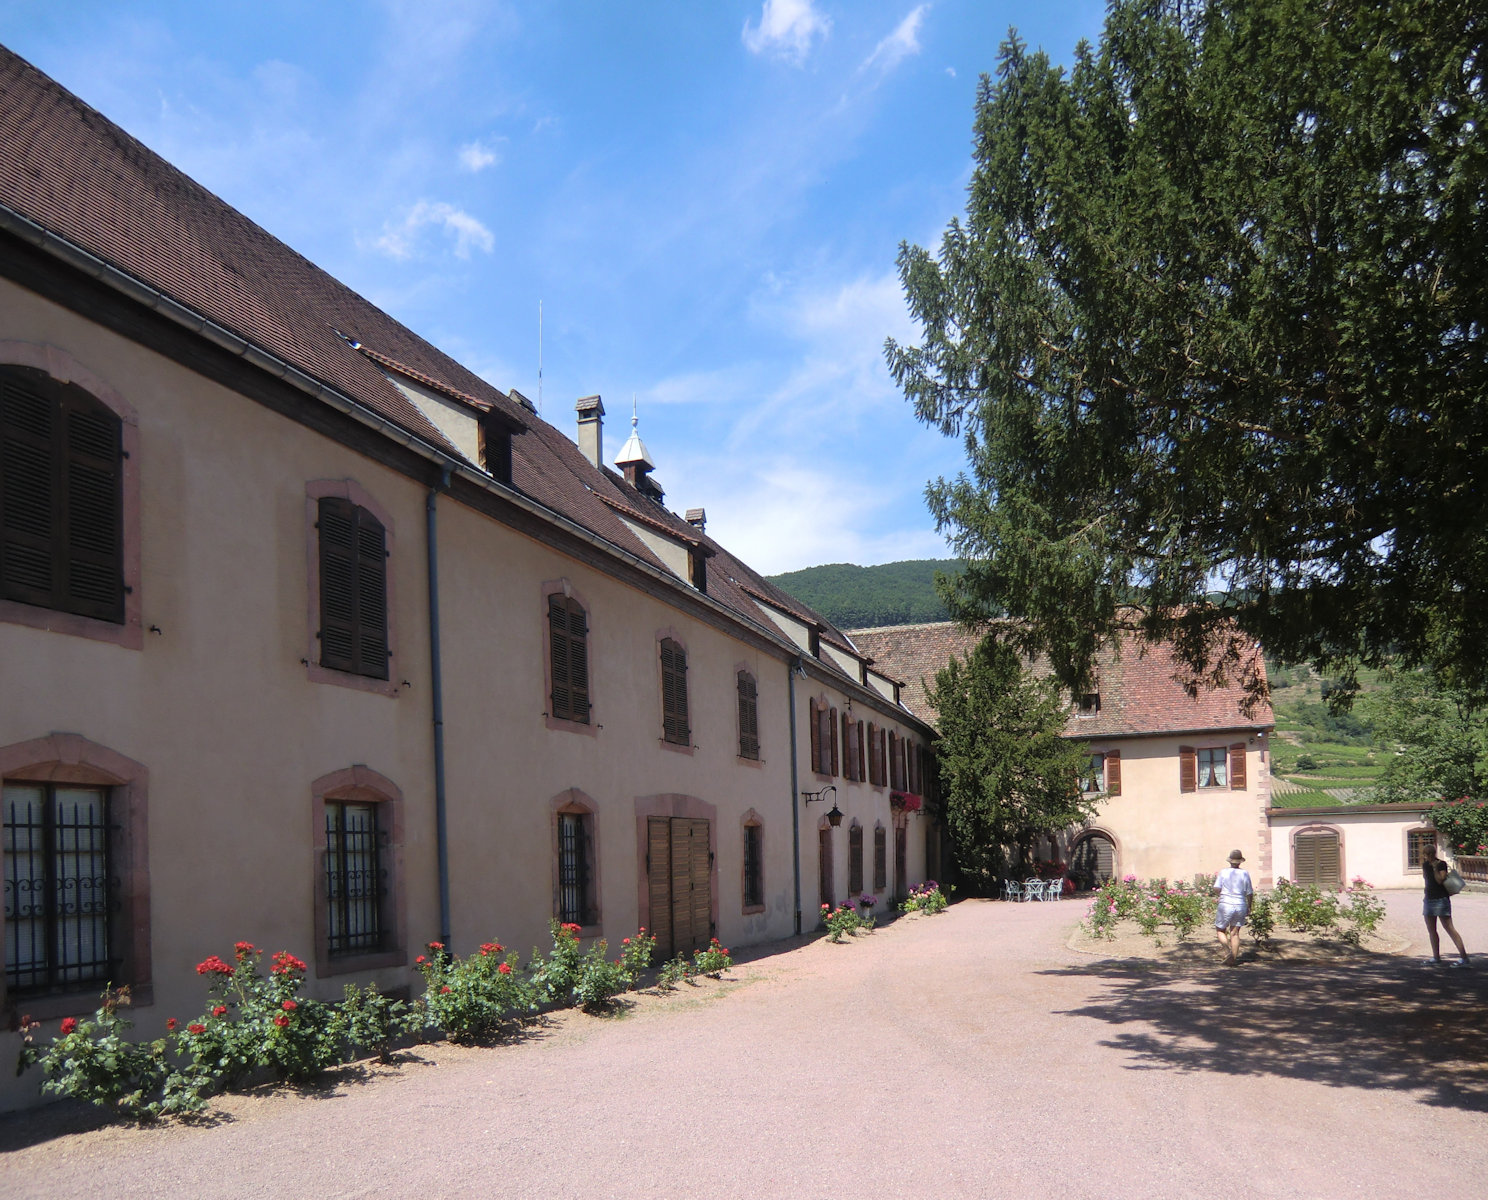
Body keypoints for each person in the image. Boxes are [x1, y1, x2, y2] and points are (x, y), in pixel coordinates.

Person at [1422, 841, 1470, 967]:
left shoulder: (1441, 864)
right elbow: (1427, 880)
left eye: (1429, 853)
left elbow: (1439, 880)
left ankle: (1464, 958)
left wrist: (1434, 867)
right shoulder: (1425, 865)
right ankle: (1436, 957)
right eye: (1426, 854)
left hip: (1441, 900)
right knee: (1431, 930)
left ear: (1434, 853)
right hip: (1429, 899)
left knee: (1449, 928)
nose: (1428, 856)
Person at [1212, 849, 1254, 966]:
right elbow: (1249, 892)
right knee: (1235, 933)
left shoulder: (1223, 872)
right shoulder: (1245, 873)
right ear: (1240, 862)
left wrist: (1220, 893)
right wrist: (1249, 906)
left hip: (1226, 903)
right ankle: (1233, 959)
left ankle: (1227, 951)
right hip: (1240, 904)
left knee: (1220, 930)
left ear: (1230, 861)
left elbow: (1216, 888)